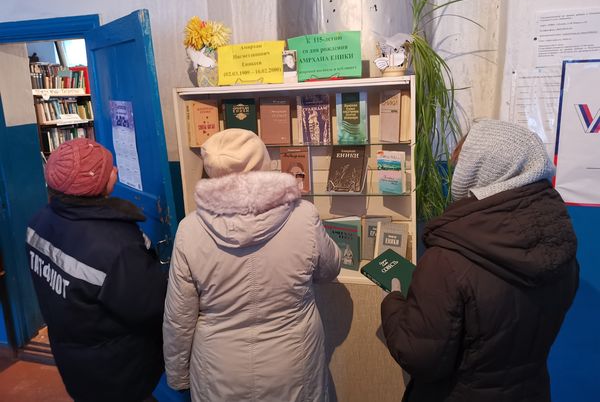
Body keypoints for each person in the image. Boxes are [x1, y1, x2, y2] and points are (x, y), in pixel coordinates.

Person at [381, 119, 579, 402]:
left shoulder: (448, 258)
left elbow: (420, 356)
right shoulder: (559, 244)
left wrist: (392, 302)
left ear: (480, 171)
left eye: (460, 165)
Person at [163, 128, 341, 402]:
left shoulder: (190, 229)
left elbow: (179, 317)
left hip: (219, 370)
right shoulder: (304, 217)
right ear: (263, 163)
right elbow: (329, 269)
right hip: (293, 364)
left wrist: (178, 376)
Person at [26, 138, 167, 402]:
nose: (116, 170)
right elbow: (153, 307)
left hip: (74, 359)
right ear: (94, 184)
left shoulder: (39, 221)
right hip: (117, 371)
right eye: (109, 169)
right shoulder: (115, 247)